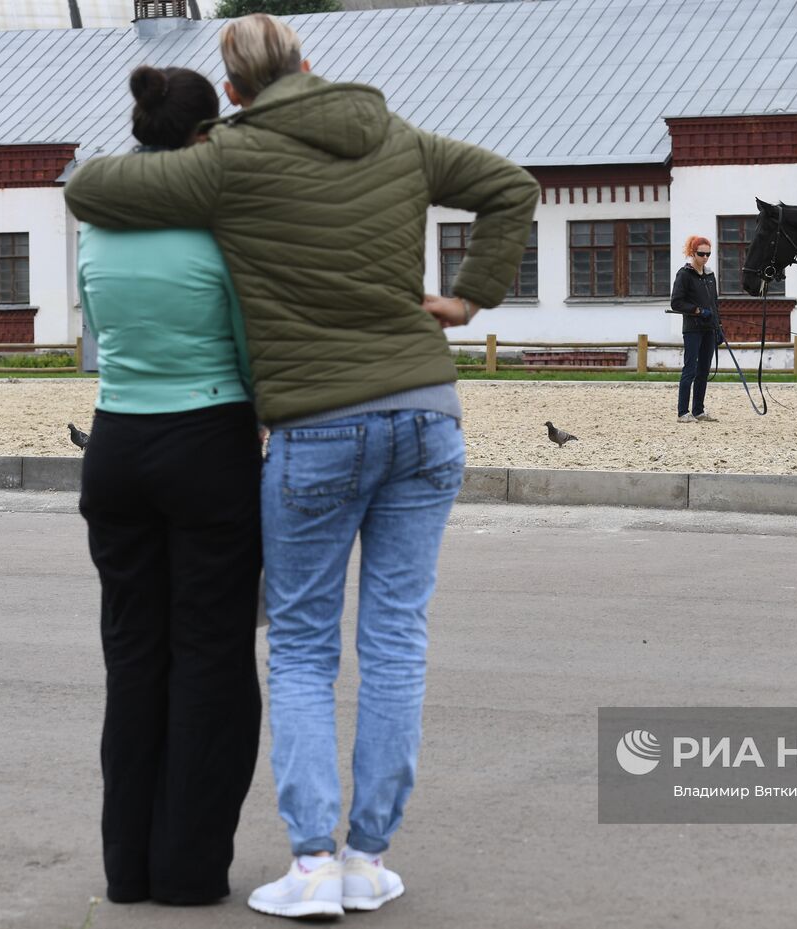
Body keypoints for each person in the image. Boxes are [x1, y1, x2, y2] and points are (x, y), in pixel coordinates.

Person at [64, 13, 540, 920]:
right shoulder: (399, 135)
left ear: (236, 95)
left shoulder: (231, 160)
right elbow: (511, 185)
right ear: (311, 65)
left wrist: (205, 145)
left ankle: (315, 863)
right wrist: (472, 294)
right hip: (428, 412)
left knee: (303, 646)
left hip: (318, 426)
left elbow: (91, 187)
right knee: (397, 638)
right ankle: (369, 855)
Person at [76, 65, 261, 907]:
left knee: (134, 659)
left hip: (115, 441)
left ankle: (128, 870)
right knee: (212, 660)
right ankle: (188, 872)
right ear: (205, 136)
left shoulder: (98, 221)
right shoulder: (219, 220)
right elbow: (249, 343)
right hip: (206, 439)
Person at [669, 235, 721, 423]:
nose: (705, 257)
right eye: (701, 254)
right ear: (693, 253)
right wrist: (697, 310)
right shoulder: (684, 274)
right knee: (690, 369)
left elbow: (714, 303)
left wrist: (718, 327)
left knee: (704, 370)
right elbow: (676, 302)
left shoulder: (710, 275)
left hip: (709, 329)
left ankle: (698, 410)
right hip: (692, 328)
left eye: (708, 254)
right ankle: (683, 412)